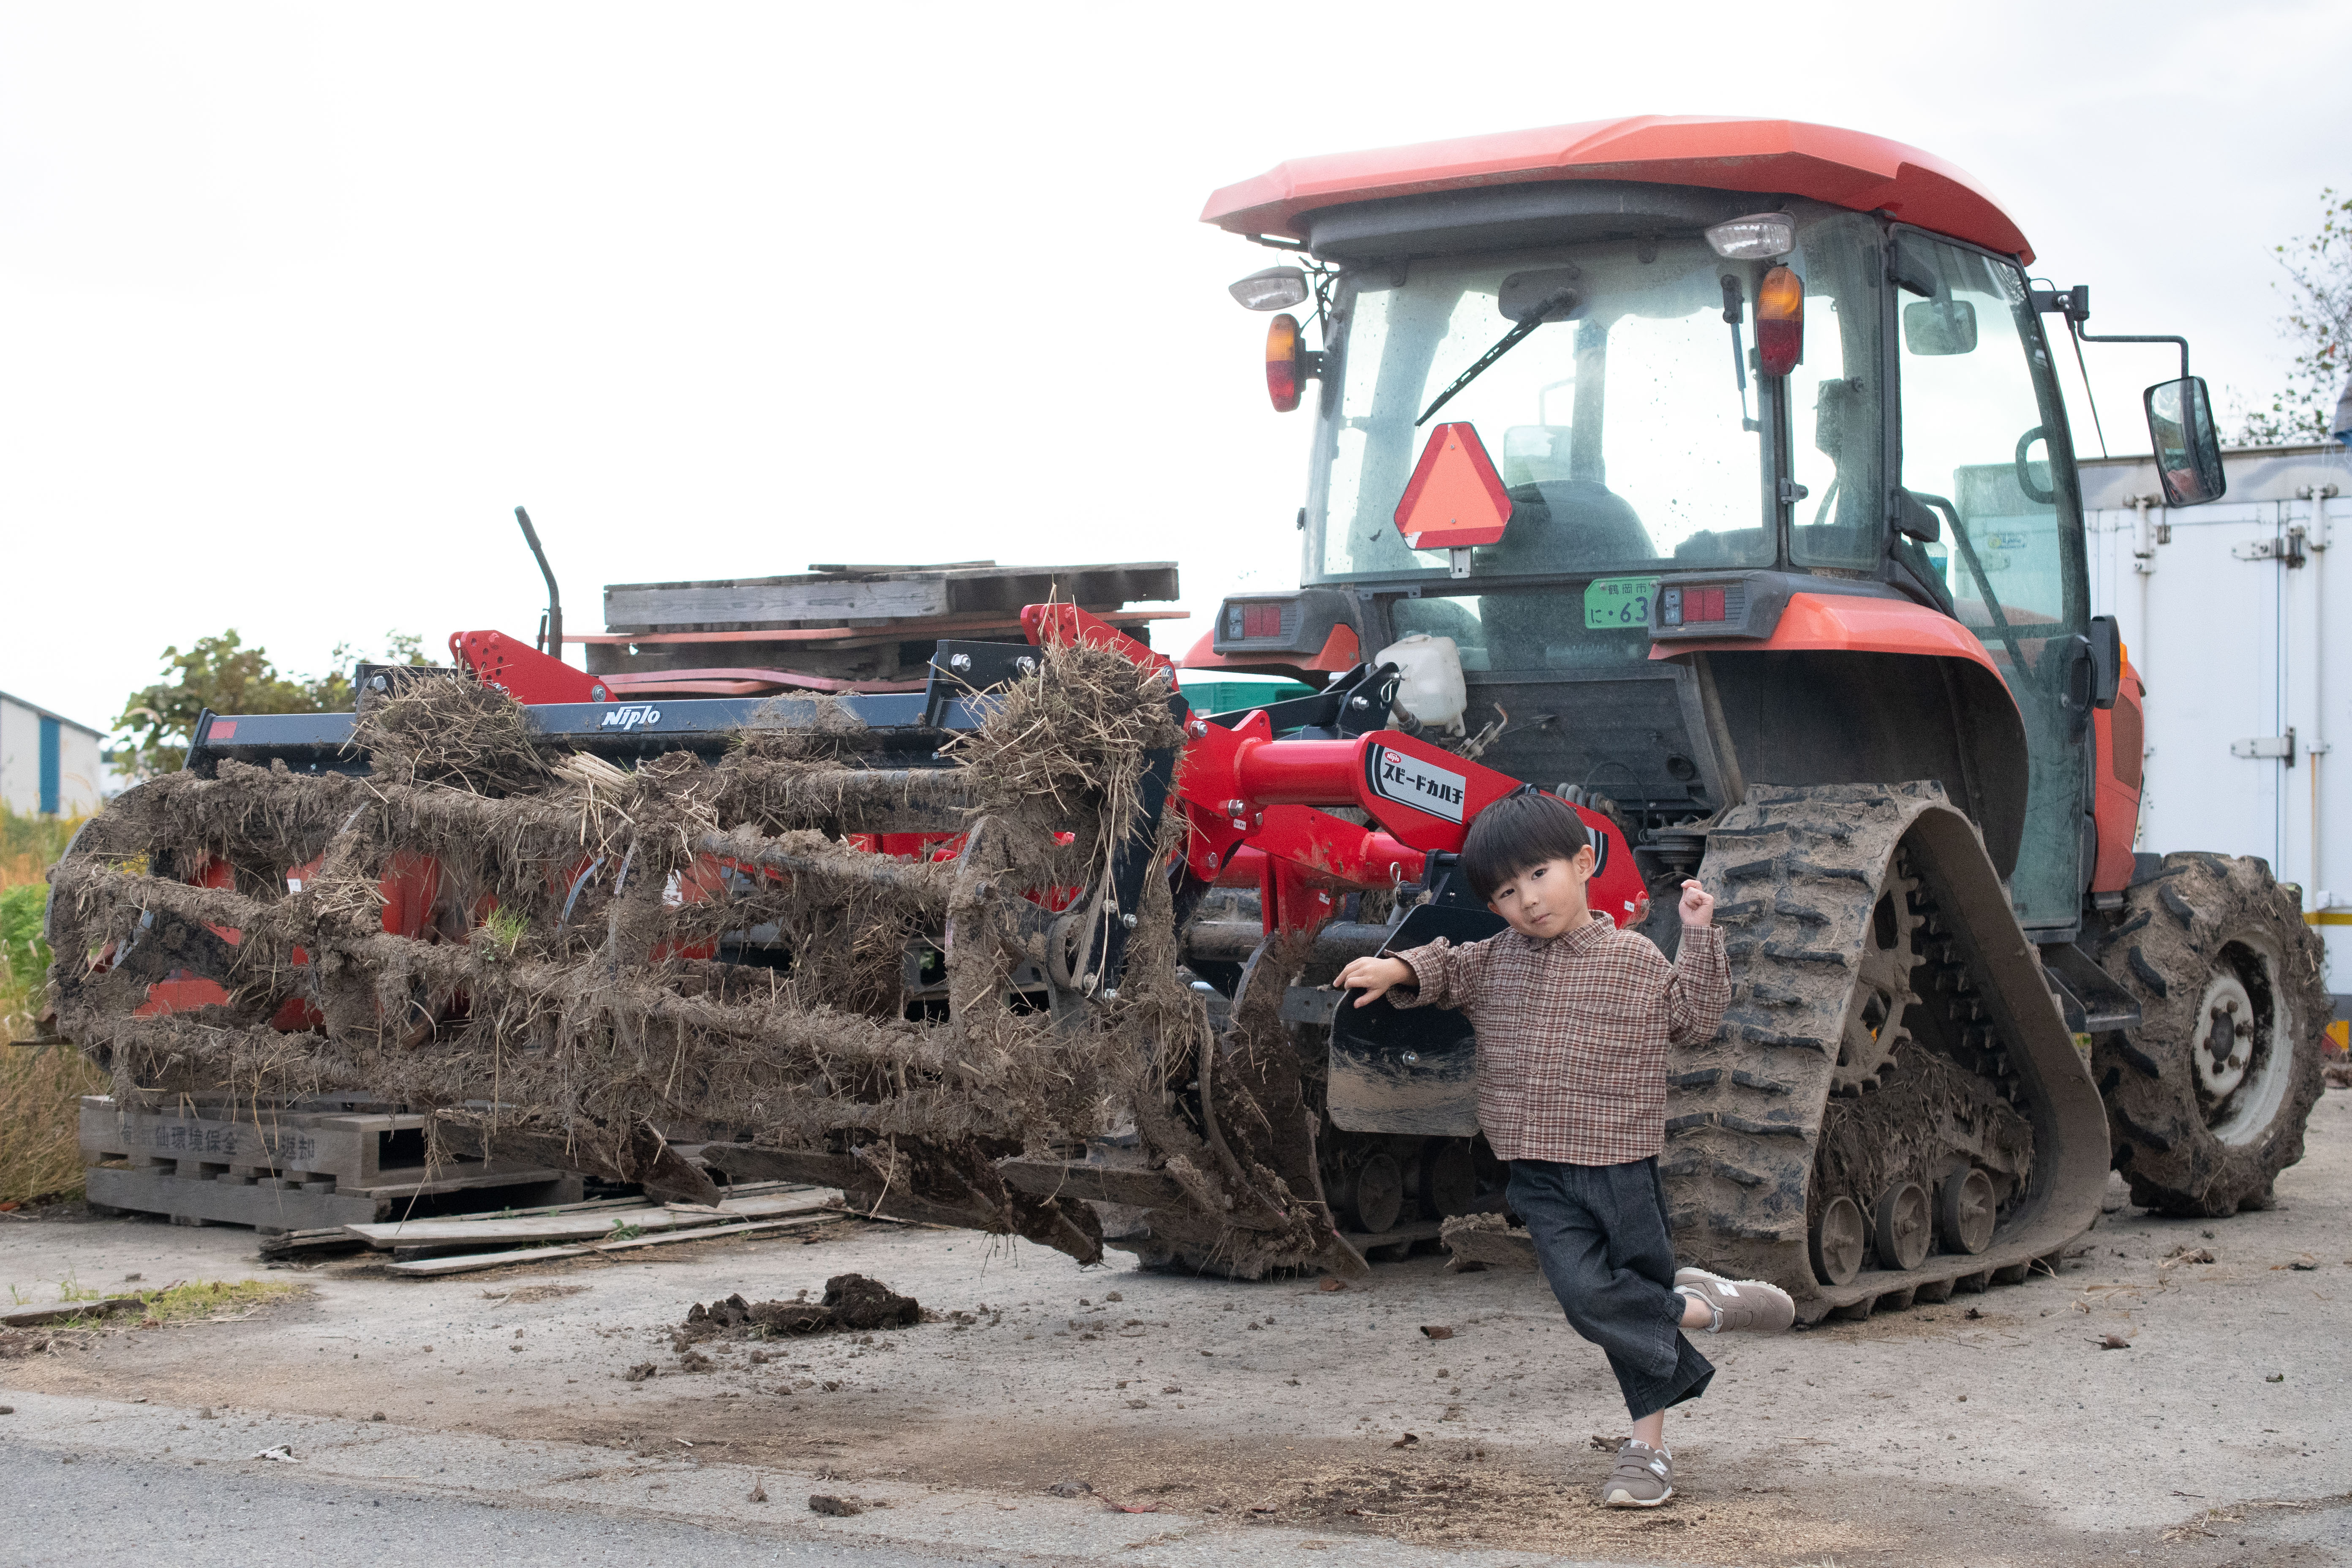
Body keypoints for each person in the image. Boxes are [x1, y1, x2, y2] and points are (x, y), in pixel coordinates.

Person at [1335, 790, 1792, 1508]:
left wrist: (1699, 934)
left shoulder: (1633, 958)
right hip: (1538, 1172)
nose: (1526, 901)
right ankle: (1699, 1308)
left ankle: (1648, 1454)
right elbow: (1446, 966)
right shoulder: (1495, 961)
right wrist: (1398, 969)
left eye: (1538, 876)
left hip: (1620, 1167)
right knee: (1588, 1301)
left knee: (1620, 1308)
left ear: (1583, 863)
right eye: (1505, 893)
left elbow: (1698, 1021)